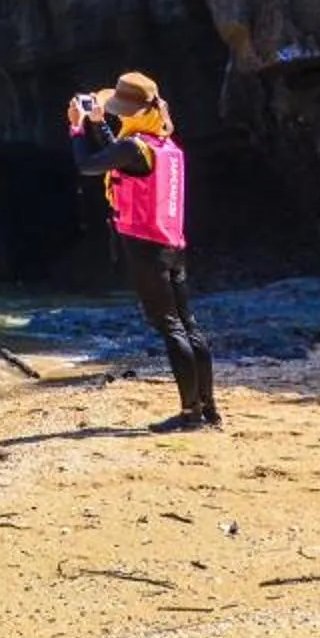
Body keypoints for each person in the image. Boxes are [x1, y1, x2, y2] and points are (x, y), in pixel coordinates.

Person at [69, 70, 219, 431]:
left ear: (135, 111)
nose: (117, 114)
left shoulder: (134, 146)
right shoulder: (162, 145)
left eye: (121, 109)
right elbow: (119, 155)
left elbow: (89, 164)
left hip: (145, 248)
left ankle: (190, 415)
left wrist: (77, 129)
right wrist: (98, 123)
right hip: (171, 243)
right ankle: (209, 409)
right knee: (187, 323)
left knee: (170, 327)